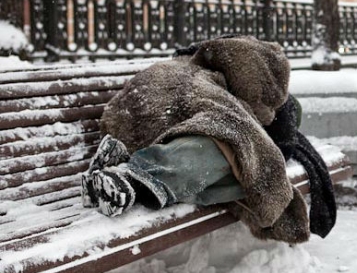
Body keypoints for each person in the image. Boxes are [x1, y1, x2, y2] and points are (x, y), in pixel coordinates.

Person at [81, 35, 336, 243]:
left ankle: (125, 175)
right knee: (230, 146)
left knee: (240, 171)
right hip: (154, 130)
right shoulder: (201, 79)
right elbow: (237, 130)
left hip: (129, 129)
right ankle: (132, 179)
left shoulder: (202, 67)